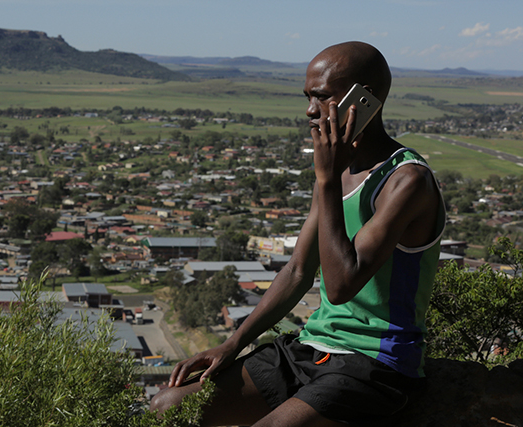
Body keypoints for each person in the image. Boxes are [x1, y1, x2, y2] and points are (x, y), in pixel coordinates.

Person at [150, 41, 446, 427]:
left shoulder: (406, 181)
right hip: (311, 348)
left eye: (322, 96)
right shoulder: (337, 171)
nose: (310, 110)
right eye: (307, 97)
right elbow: (297, 271)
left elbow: (340, 286)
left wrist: (327, 180)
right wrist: (232, 343)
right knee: (167, 406)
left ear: (365, 99)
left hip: (376, 363)